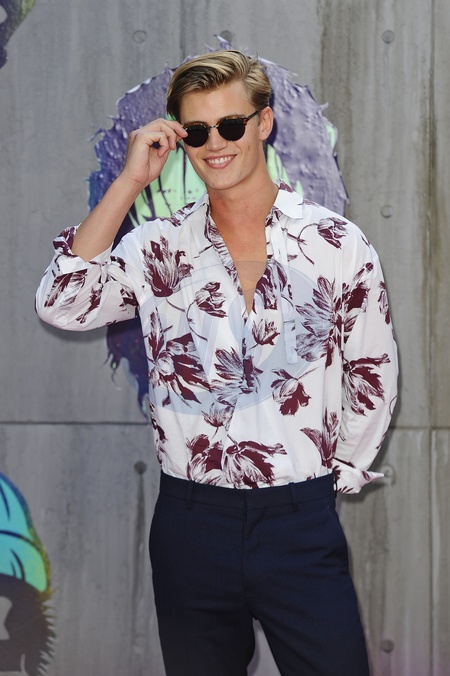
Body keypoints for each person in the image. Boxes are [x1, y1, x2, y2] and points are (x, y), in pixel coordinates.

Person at [36, 50, 398, 676]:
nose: (216, 144)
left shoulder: (335, 244)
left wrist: (324, 484)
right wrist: (129, 183)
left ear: (264, 123)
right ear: (181, 139)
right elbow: (62, 303)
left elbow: (371, 373)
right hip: (191, 526)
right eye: (198, 131)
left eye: (230, 125)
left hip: (300, 521)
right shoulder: (157, 247)